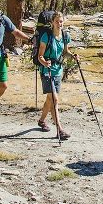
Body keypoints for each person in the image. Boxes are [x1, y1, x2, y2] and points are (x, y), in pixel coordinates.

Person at [36, 11, 73, 140]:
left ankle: (41, 121)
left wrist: (73, 56)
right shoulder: (46, 36)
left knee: (50, 99)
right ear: (52, 22)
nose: (59, 24)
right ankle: (60, 129)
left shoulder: (64, 35)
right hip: (47, 71)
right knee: (55, 99)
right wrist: (45, 63)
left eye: (61, 21)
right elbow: (40, 55)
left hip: (58, 70)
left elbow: (66, 52)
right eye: (57, 21)